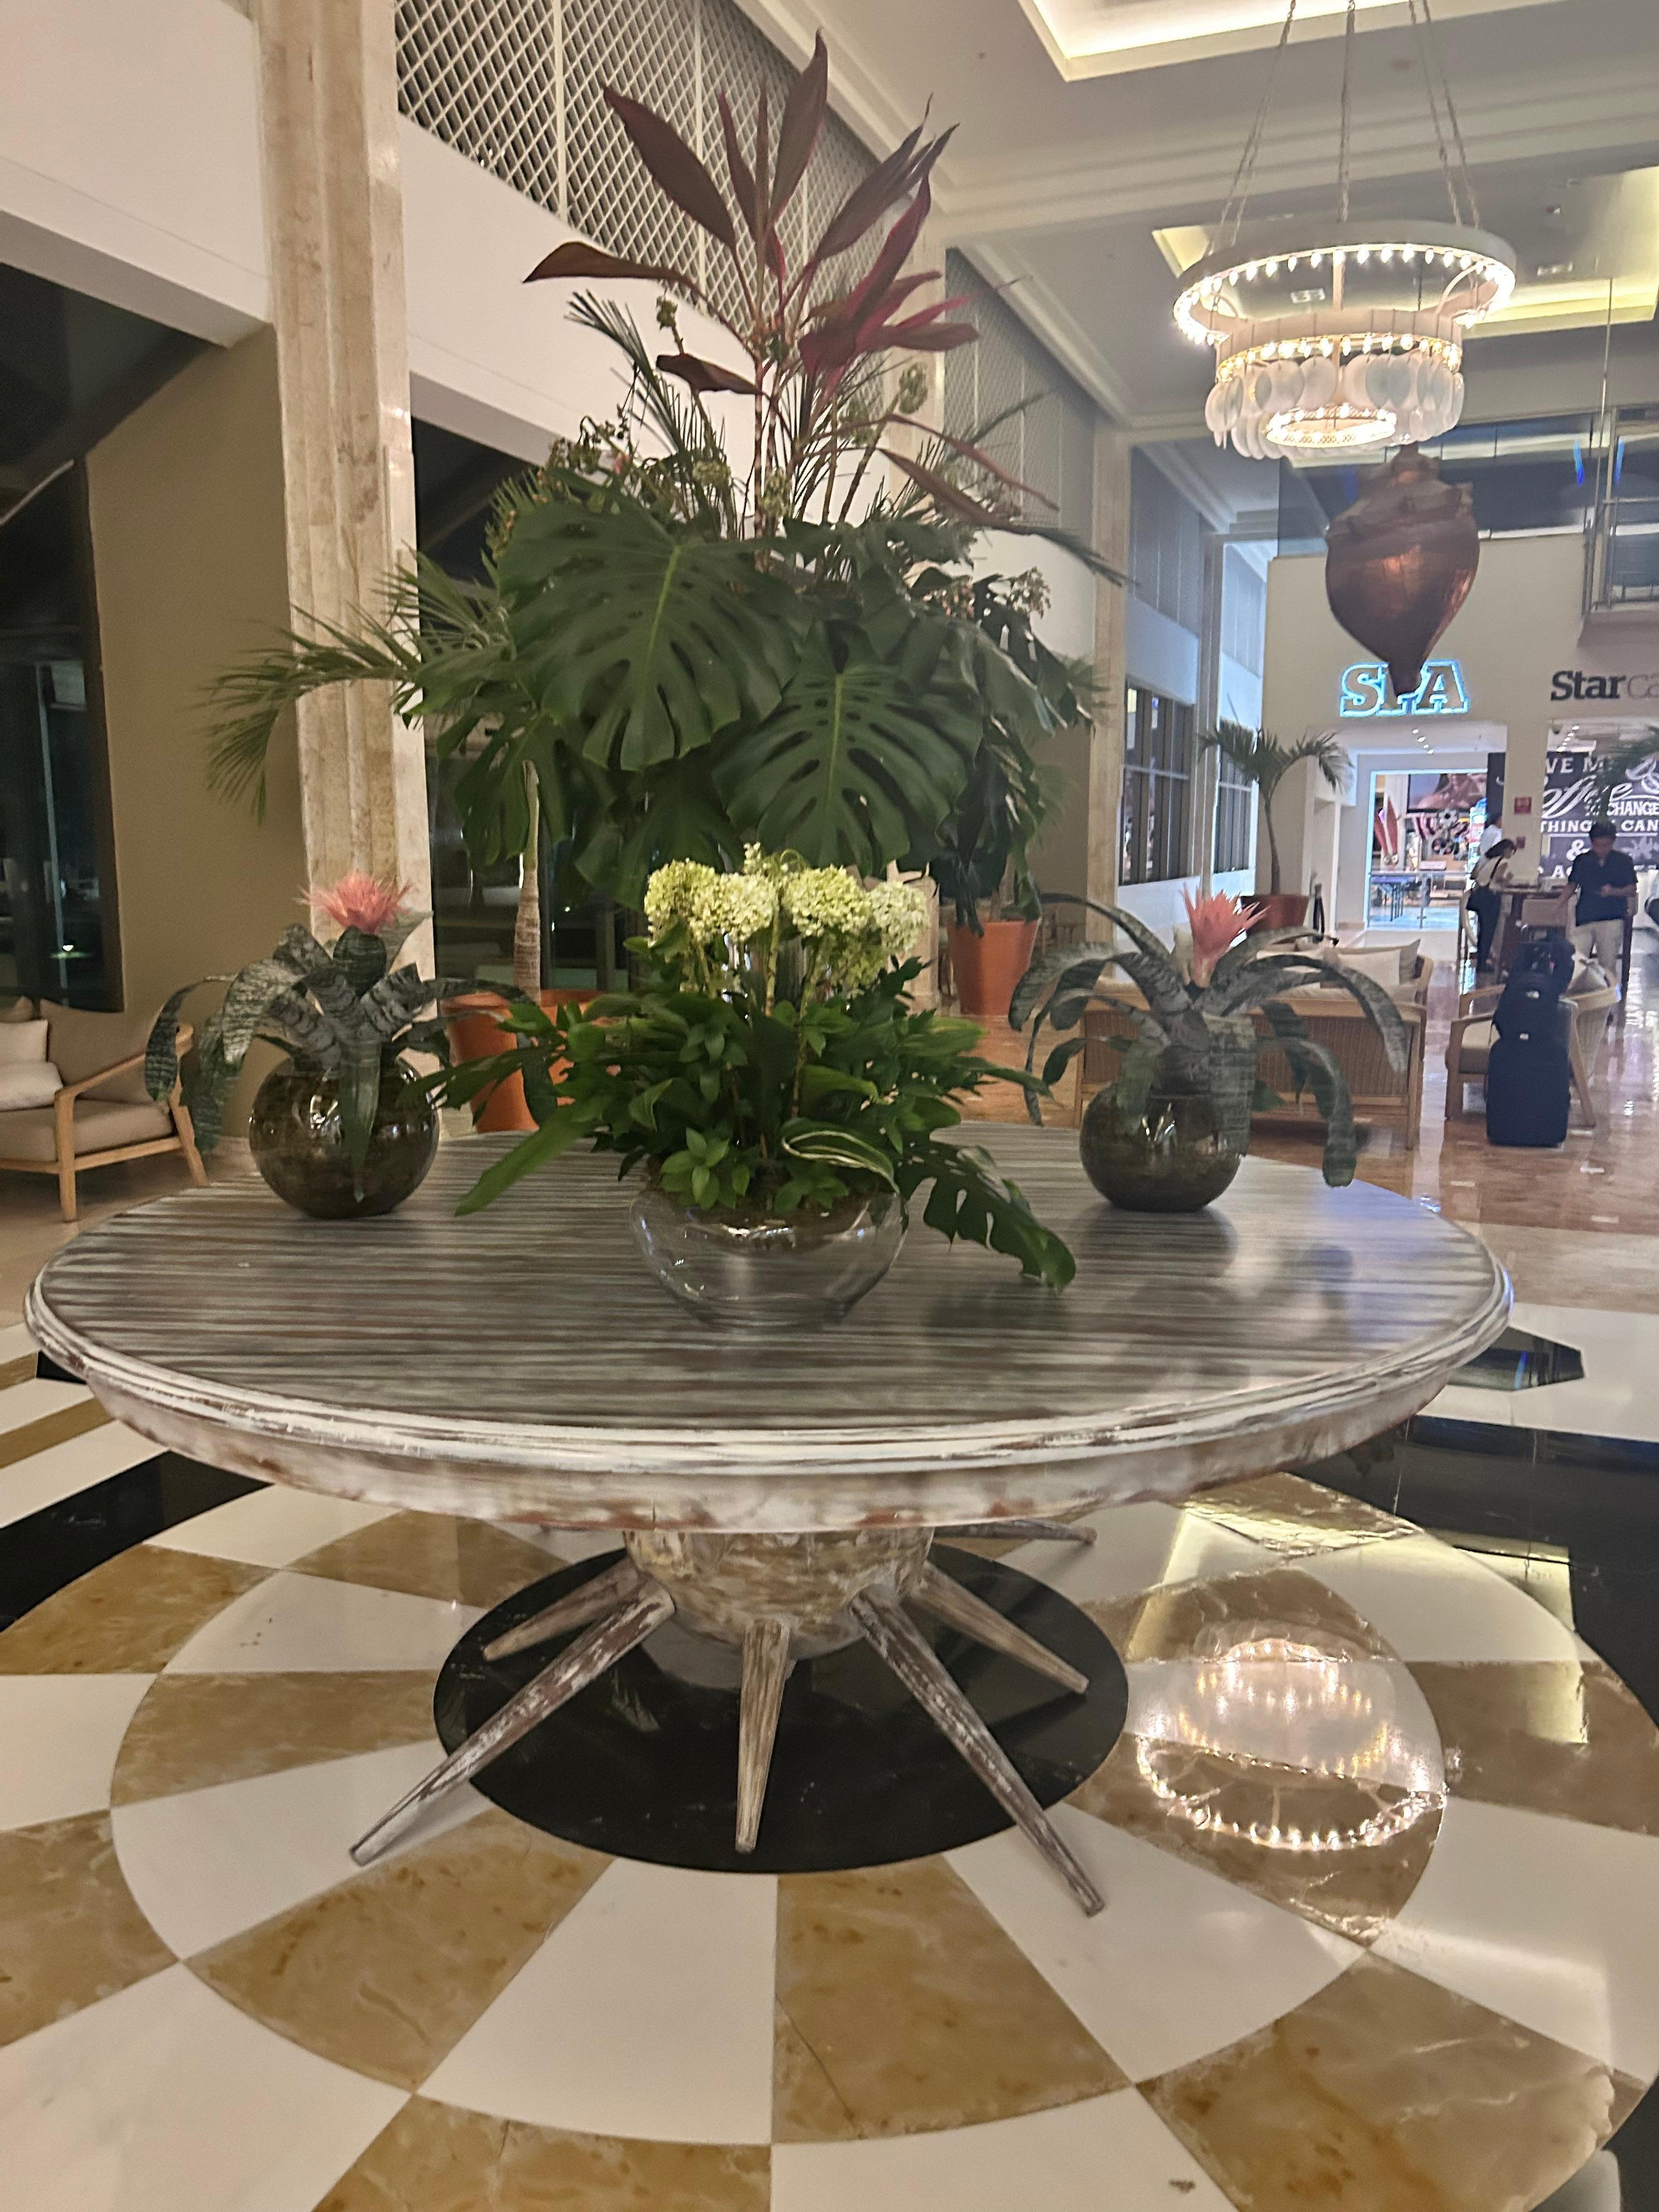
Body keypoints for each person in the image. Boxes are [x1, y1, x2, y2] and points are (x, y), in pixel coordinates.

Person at [1568, 821, 1637, 979]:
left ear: (1613, 842)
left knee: (1608, 965)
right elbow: (1572, 885)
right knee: (1577, 962)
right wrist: (1558, 906)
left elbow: (1632, 889)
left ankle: (1613, 992)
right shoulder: (1582, 860)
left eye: (1606, 845)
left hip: (1611, 918)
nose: (1602, 850)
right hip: (1584, 917)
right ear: (1592, 843)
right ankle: (1581, 991)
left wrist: (1614, 891)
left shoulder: (1623, 861)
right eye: (1598, 845)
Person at [1469, 837, 1517, 973]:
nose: (1511, 855)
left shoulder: (1488, 860)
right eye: (1512, 852)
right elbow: (1499, 879)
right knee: (1489, 932)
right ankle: (1483, 964)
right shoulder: (1503, 862)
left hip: (1480, 896)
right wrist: (1508, 879)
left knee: (1483, 930)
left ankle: (1481, 961)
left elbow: (1473, 875)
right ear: (1506, 850)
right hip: (1491, 898)